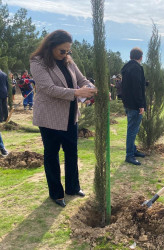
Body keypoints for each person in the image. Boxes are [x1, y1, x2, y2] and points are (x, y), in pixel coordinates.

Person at [30, 30, 97, 207]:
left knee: (72, 152)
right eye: (62, 51)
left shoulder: (68, 62)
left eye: (68, 51)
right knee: (52, 155)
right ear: (51, 46)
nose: (66, 54)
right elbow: (47, 88)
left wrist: (91, 88)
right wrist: (76, 92)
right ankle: (56, 193)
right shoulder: (38, 62)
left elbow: (82, 80)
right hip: (49, 117)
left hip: (70, 115)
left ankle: (73, 187)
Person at [121, 47, 146, 166]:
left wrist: (145, 83)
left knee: (132, 130)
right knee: (132, 130)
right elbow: (136, 88)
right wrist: (141, 105)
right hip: (135, 105)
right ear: (141, 57)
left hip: (128, 103)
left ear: (131, 56)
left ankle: (133, 150)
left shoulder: (126, 68)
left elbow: (130, 84)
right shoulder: (136, 68)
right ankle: (129, 155)